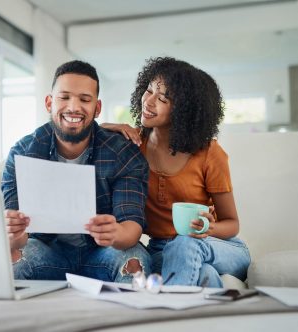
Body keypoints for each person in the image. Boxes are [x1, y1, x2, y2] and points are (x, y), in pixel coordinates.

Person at [102, 57, 250, 288]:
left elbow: (232, 224)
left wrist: (208, 228)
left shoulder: (209, 153)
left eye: (162, 98)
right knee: (205, 275)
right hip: (162, 250)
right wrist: (106, 128)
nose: (149, 101)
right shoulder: (132, 146)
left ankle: (169, 315)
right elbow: (84, 138)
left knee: (185, 243)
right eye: (148, 90)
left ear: (185, 110)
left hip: (218, 245)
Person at [2, 60, 151, 283]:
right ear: (49, 102)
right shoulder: (22, 153)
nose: (73, 107)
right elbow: (18, 241)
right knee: (10, 263)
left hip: (103, 252)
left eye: (84, 99)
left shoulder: (122, 153)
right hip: (47, 251)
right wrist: (13, 233)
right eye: (64, 97)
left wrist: (115, 233)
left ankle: (125, 318)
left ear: (97, 108)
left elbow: (131, 227)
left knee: (135, 261)